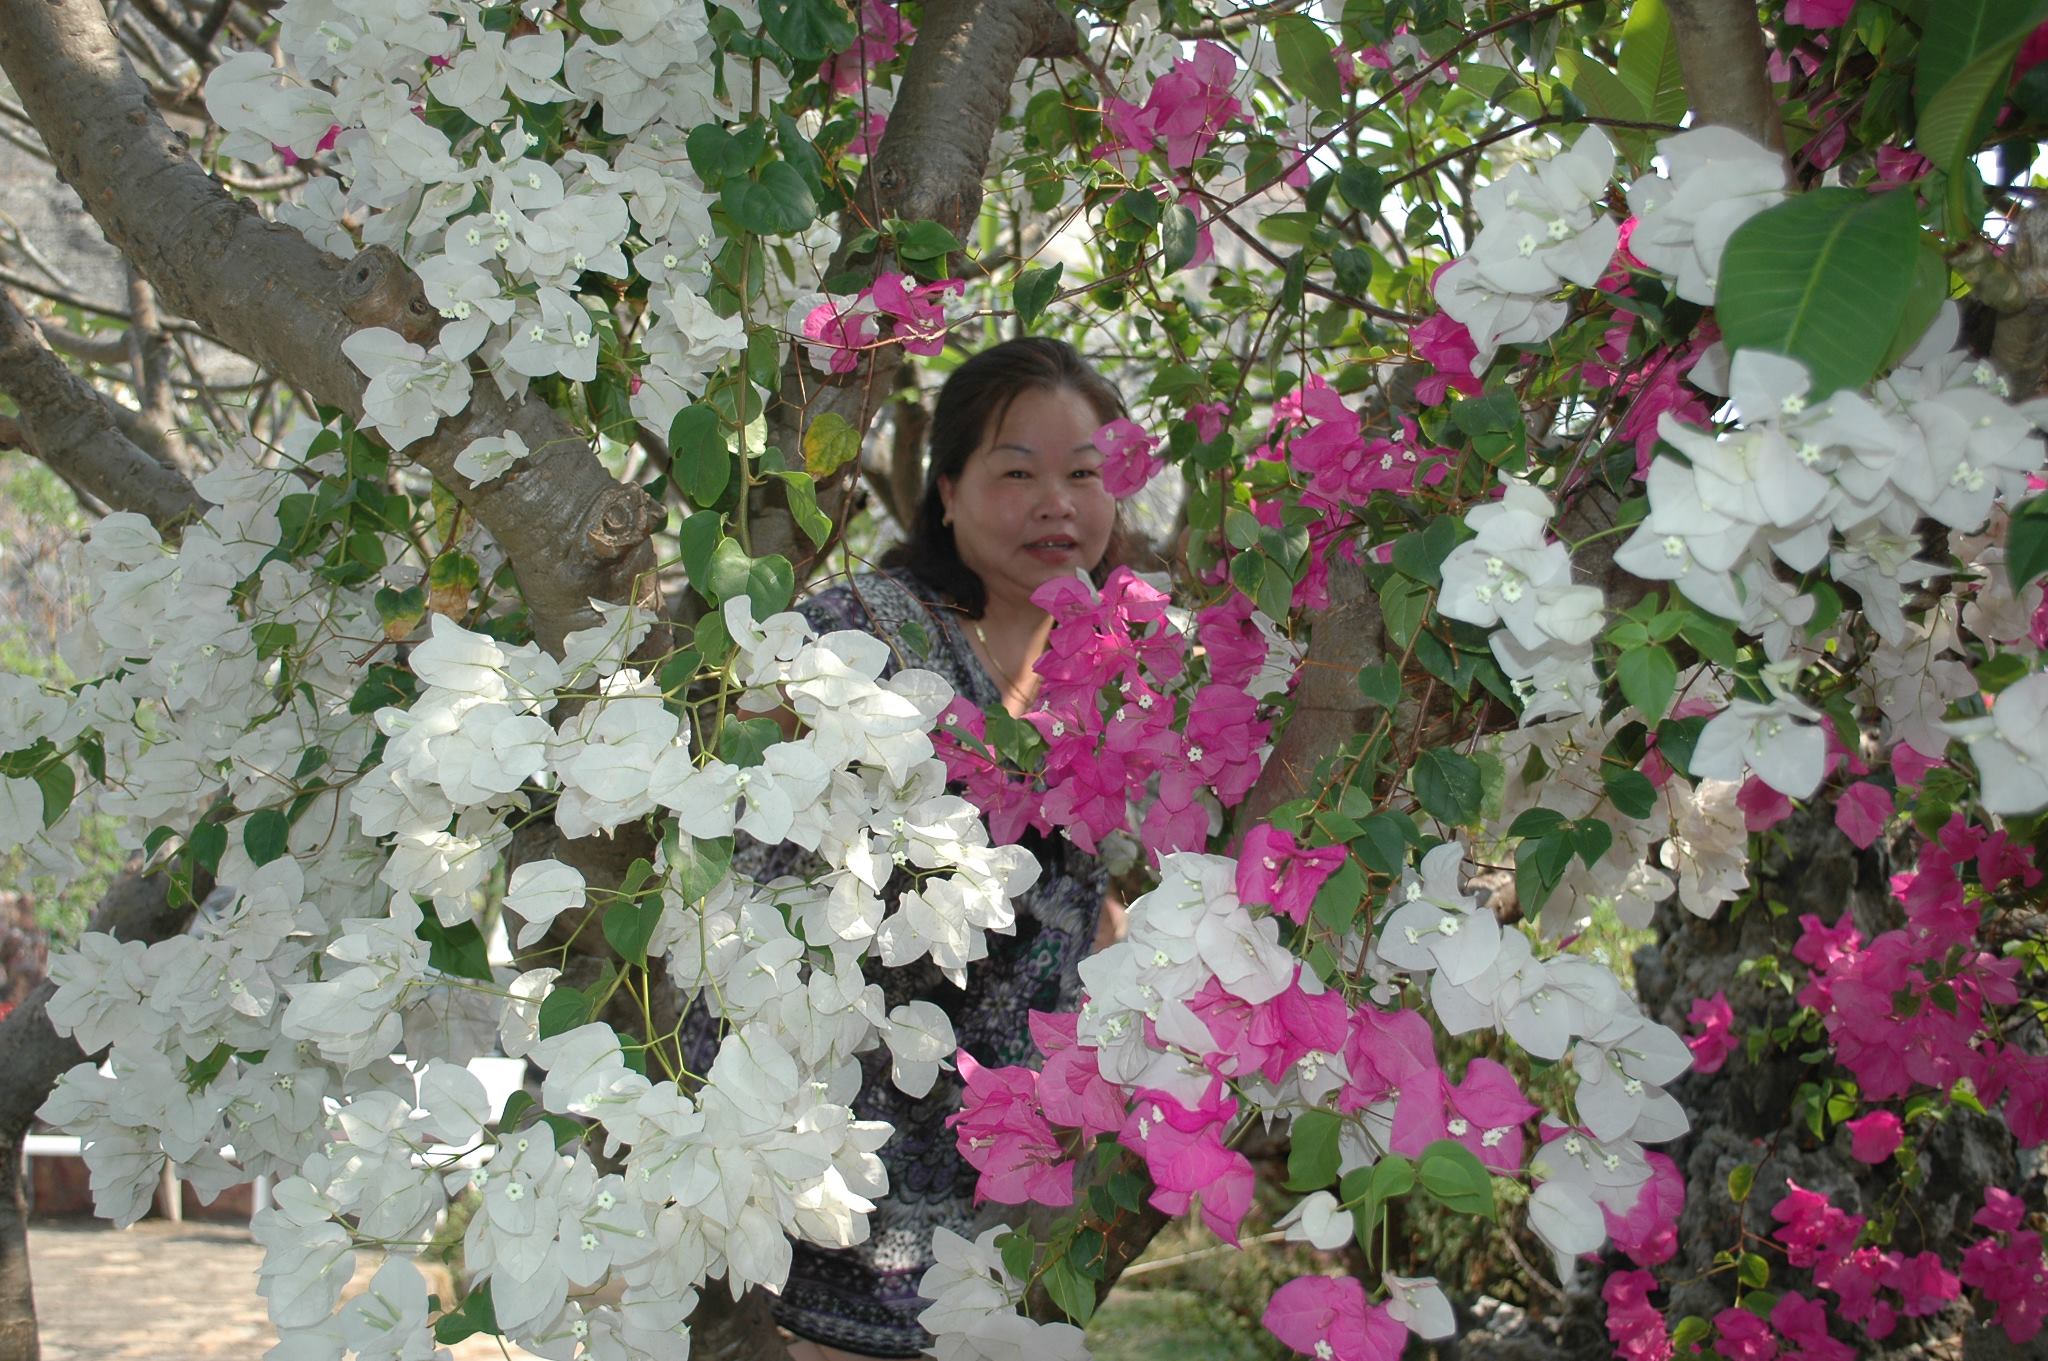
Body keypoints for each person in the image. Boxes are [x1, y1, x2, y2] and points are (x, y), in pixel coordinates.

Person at [766, 336, 1127, 1360]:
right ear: (949, 489)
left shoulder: (1120, 669)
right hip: (840, 1171)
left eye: (1084, 474)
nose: (1056, 504)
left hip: (1012, 1193)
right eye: (1017, 473)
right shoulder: (862, 634)